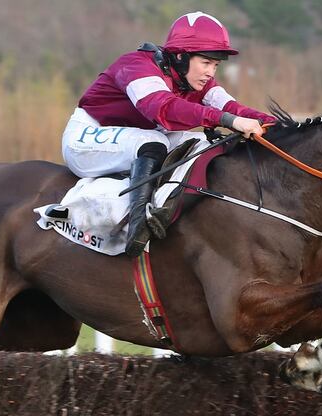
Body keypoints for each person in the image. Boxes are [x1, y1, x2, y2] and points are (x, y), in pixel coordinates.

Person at [58, 11, 275, 257]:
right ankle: (136, 229)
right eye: (205, 63)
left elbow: (230, 108)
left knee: (201, 143)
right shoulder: (137, 66)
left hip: (135, 137)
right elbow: (162, 109)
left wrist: (278, 126)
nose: (211, 73)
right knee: (152, 141)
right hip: (86, 138)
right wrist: (228, 121)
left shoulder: (195, 81)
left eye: (215, 65)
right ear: (181, 56)